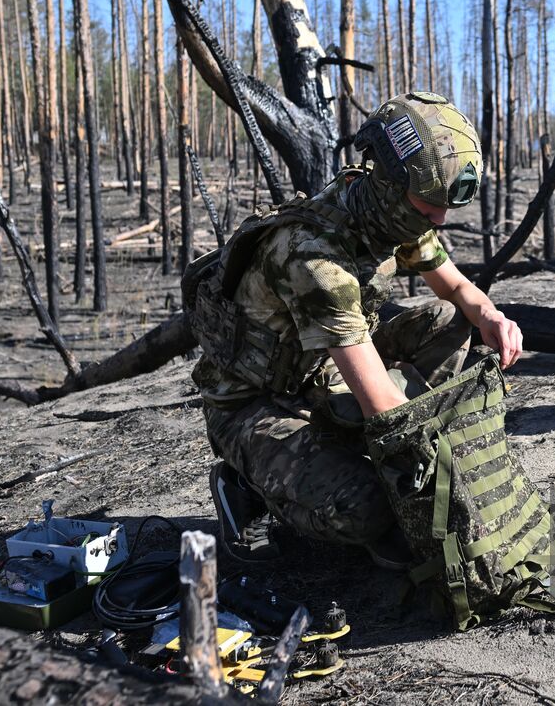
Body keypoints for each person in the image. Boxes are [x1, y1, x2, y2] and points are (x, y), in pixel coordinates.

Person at [189, 92, 524, 565]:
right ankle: (245, 487)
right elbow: (384, 407)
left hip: (321, 370)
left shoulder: (388, 210)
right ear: (389, 184)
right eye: (429, 207)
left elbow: (458, 291)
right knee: (363, 508)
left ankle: (351, 449)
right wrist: (446, 483)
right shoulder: (316, 259)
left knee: (449, 322)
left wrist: (491, 316)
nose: (439, 219)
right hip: (251, 405)